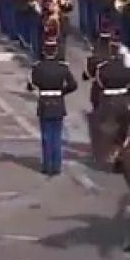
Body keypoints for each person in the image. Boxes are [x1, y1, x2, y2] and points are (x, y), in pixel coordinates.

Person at [26, 39, 77, 176]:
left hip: (44, 103)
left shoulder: (38, 67)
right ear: (55, 51)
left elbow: (30, 86)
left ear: (44, 51)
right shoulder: (63, 67)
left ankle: (47, 165)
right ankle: (56, 166)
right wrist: (61, 92)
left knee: (46, 136)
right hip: (58, 102)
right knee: (57, 136)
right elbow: (73, 85)